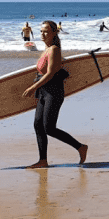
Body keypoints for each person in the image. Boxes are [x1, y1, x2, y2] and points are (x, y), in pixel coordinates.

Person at [21, 21, 88, 169]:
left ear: (54, 33)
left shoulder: (54, 50)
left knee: (49, 127)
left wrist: (33, 87)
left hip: (53, 91)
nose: (42, 34)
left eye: (46, 31)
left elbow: (51, 73)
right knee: (38, 125)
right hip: (43, 91)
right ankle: (42, 160)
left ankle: (81, 147)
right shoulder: (46, 50)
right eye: (41, 31)